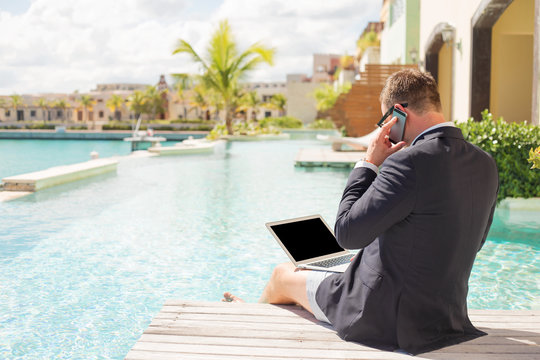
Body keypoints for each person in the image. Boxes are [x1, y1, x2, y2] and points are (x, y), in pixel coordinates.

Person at [223, 69, 499, 355]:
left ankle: (250, 316)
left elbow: (346, 233)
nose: (386, 131)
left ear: (398, 112)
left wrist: (369, 163)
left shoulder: (408, 163)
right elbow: (470, 242)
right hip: (448, 315)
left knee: (282, 274)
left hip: (381, 316)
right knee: (318, 266)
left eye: (386, 121)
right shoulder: (485, 163)